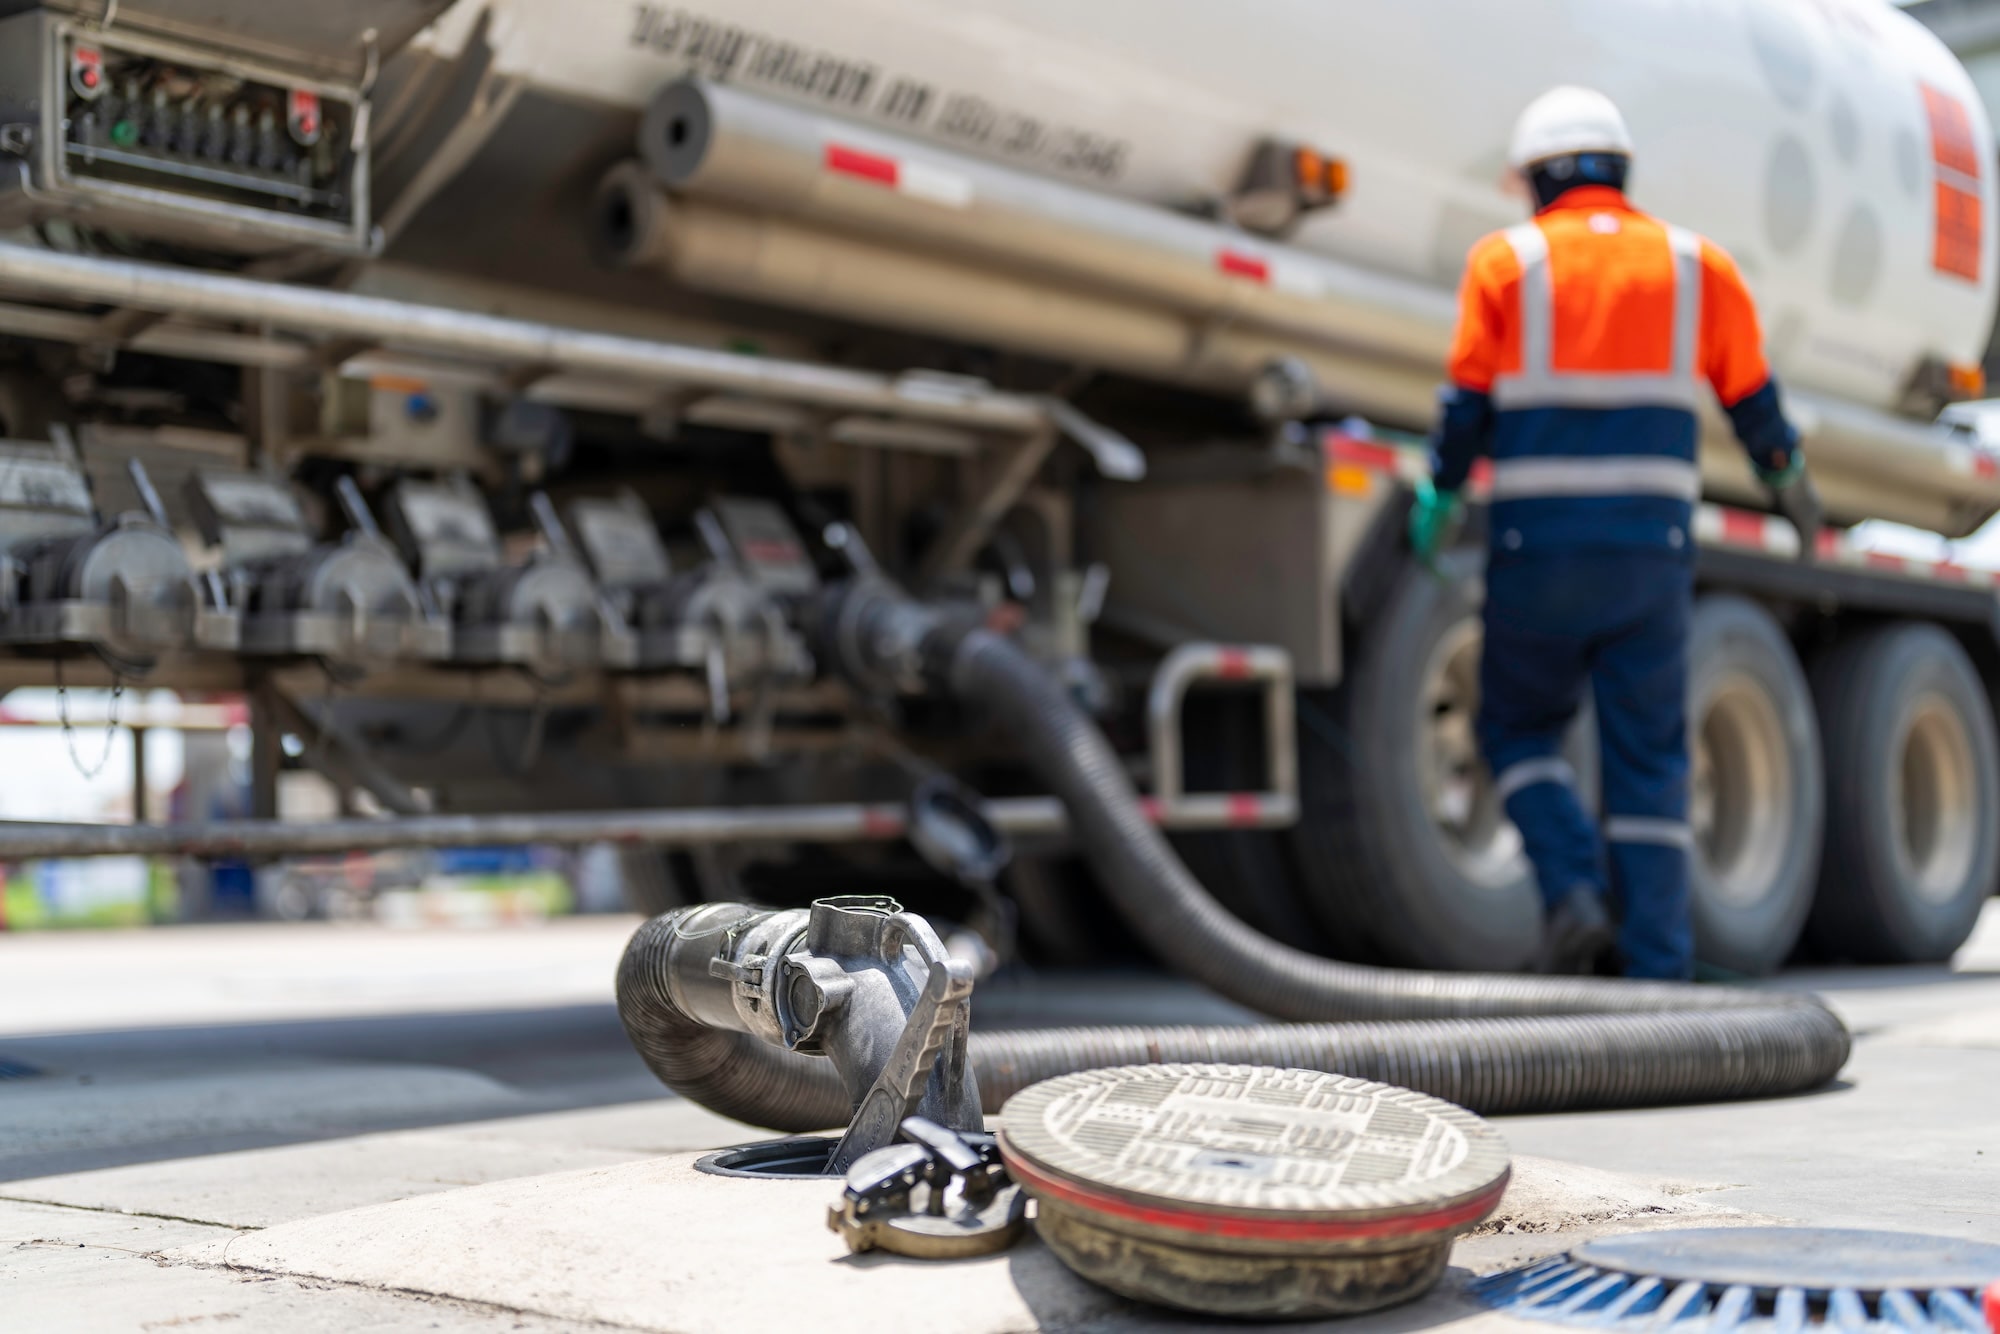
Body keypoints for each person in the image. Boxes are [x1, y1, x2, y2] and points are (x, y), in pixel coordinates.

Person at [1407, 86, 1815, 979]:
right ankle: (1659, 971)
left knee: (1516, 732)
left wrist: (1437, 494)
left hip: (1537, 551)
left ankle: (1574, 889)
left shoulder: (1505, 263)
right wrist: (1788, 480)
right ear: (1620, 170)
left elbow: (1464, 406)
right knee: (1650, 758)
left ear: (1542, 178)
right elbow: (1754, 400)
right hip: (1649, 557)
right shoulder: (1697, 265)